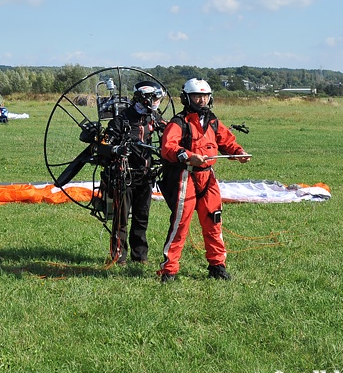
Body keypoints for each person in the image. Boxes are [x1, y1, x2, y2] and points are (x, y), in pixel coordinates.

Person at [157, 78, 250, 282]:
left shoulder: (213, 121)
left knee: (213, 220)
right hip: (185, 176)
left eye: (205, 96)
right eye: (197, 96)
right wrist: (189, 156)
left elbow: (227, 141)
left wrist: (239, 152)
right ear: (186, 98)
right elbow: (168, 148)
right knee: (181, 223)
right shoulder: (178, 122)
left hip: (208, 178)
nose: (201, 100)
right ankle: (169, 270)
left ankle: (217, 266)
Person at [107, 81, 167, 265]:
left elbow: (170, 134)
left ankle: (140, 256)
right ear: (144, 98)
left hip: (146, 176)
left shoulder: (154, 118)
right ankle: (119, 257)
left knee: (142, 217)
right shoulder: (122, 119)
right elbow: (103, 144)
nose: (157, 102)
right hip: (124, 176)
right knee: (121, 219)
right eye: (155, 98)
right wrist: (116, 149)